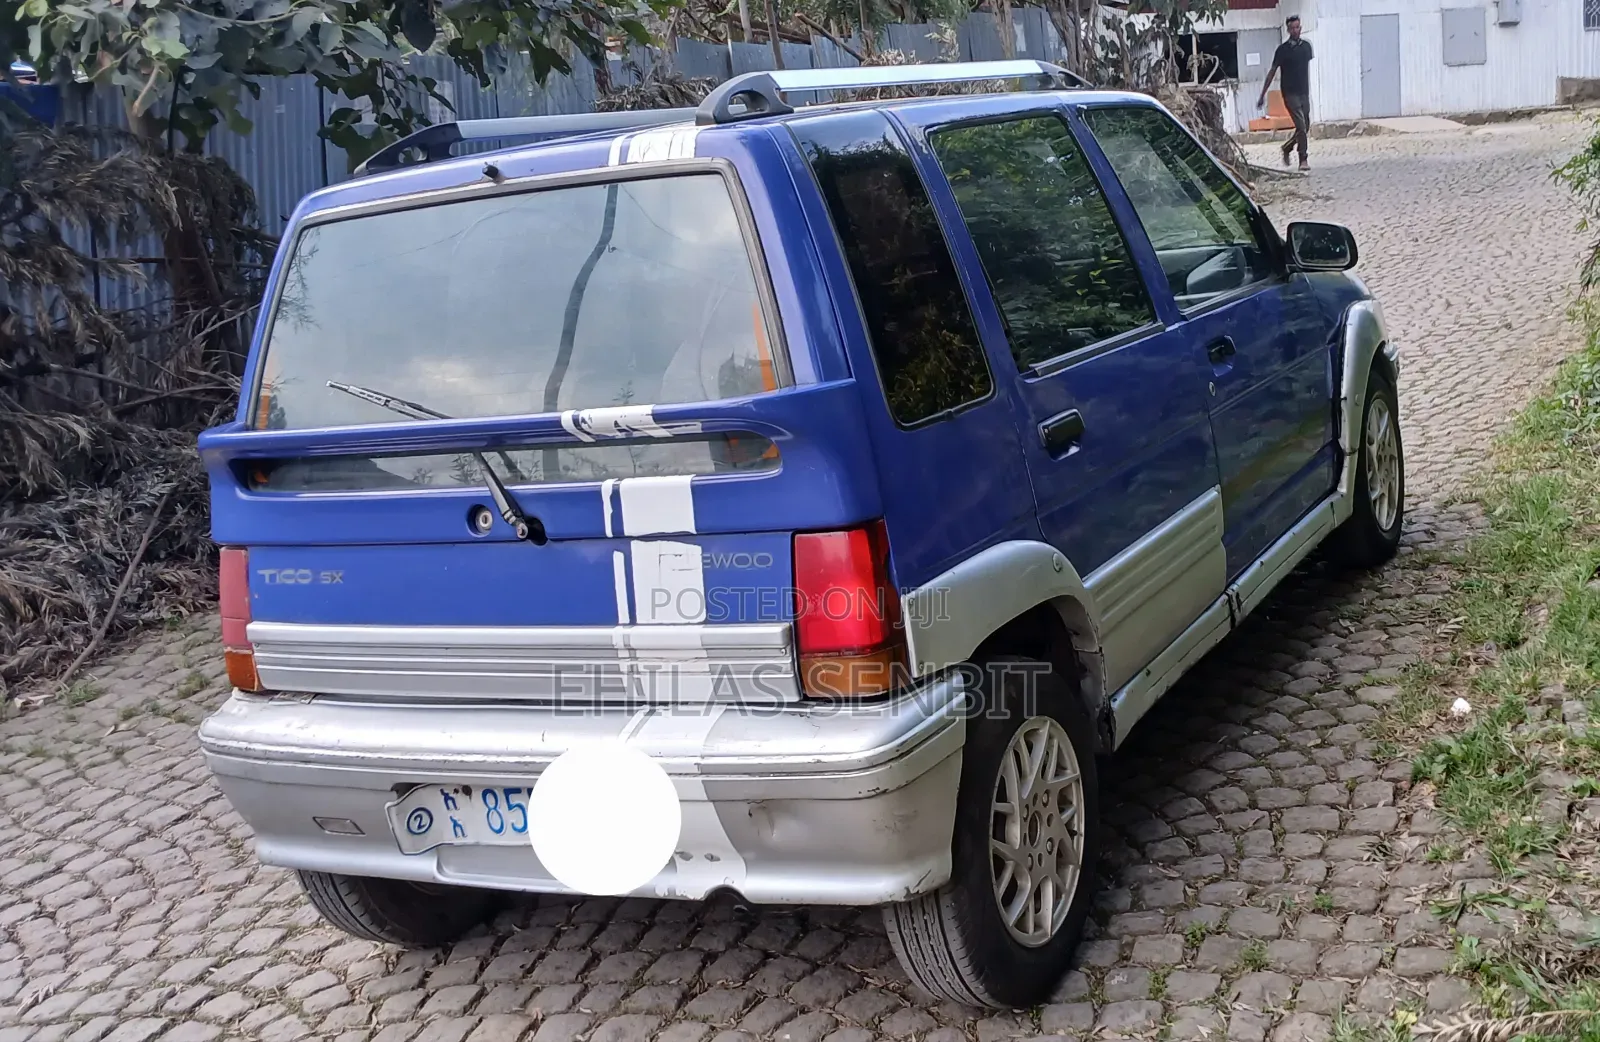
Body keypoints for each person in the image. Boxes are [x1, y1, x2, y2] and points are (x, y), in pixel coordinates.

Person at [1258, 16, 1314, 171]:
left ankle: (1287, 147)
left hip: (1304, 91)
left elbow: (1305, 69)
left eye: (1298, 27)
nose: (1295, 30)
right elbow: (1272, 72)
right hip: (1289, 93)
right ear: (1288, 30)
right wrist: (1262, 94)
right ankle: (1303, 159)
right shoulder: (1282, 50)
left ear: (1300, 28)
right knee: (1301, 126)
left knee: (1306, 125)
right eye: (1292, 28)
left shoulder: (1306, 47)